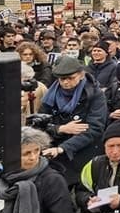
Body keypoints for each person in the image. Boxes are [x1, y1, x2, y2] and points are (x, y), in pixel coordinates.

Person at [39, 54, 109, 185]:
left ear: (81, 75)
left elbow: (95, 128)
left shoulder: (95, 94)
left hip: (85, 152)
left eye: (70, 78)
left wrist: (64, 148)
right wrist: (60, 129)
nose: (65, 82)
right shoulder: (50, 95)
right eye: (62, 79)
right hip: (55, 153)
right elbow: (40, 124)